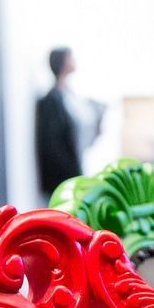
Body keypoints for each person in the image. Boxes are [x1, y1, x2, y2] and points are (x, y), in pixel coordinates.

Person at [35, 46, 101, 199]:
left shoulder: (70, 96)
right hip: (61, 180)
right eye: (70, 57)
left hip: (74, 172)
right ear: (63, 62)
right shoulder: (50, 101)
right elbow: (52, 146)